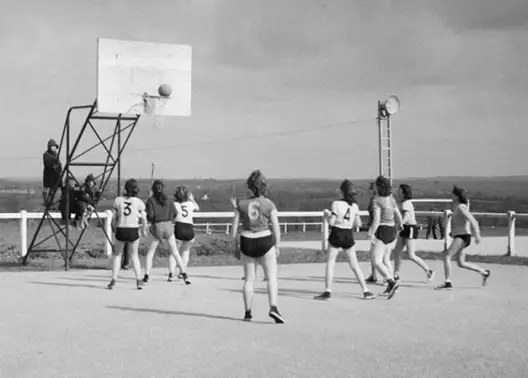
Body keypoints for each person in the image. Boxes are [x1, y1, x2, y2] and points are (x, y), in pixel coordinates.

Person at [230, 170, 284, 323]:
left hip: (247, 239)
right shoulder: (269, 204)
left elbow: (234, 229)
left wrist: (235, 246)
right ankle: (273, 307)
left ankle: (247, 312)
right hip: (264, 239)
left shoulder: (241, 204)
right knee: (271, 278)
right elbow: (276, 227)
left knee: (249, 279)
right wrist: (277, 245)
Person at [314, 180, 376, 300]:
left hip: (337, 233)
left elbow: (331, 222)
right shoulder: (354, 206)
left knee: (331, 263)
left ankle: (327, 291)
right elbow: (358, 223)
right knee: (354, 264)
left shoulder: (336, 204)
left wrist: (326, 216)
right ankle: (365, 290)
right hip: (348, 234)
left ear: (342, 192)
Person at [435, 186, 491, 290]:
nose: (451, 196)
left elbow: (473, 220)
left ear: (456, 196)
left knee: (447, 255)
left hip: (463, 236)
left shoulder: (461, 207)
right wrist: (453, 232)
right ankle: (484, 272)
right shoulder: (458, 207)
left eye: (452, 194)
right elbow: (461, 222)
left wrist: (477, 235)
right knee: (461, 263)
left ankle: (448, 282)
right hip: (461, 235)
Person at [143, 180, 190, 285]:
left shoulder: (151, 200)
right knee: (175, 253)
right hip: (169, 226)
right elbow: (175, 213)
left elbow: (150, 216)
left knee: (150, 253)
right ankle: (185, 275)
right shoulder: (169, 200)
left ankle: (146, 276)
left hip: (157, 226)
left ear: (153, 189)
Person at [107, 179, 148, 290]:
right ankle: (139, 280)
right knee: (134, 255)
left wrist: (113, 227)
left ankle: (113, 281)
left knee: (118, 255)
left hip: (121, 228)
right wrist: (144, 229)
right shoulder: (139, 201)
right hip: (133, 229)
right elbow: (144, 218)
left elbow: (114, 217)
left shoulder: (118, 200)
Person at [367, 176, 402, 299]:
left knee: (376, 261)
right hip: (392, 230)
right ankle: (390, 286)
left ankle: (391, 282)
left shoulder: (377, 200)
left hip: (382, 230)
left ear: (378, 186)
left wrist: (371, 232)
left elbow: (376, 220)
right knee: (386, 259)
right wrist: (401, 224)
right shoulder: (391, 198)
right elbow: (397, 212)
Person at [392, 184, 435, 282]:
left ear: (404, 193)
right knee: (397, 251)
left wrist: (400, 224)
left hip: (410, 228)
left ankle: (429, 271)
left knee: (410, 255)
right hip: (405, 228)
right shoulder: (401, 202)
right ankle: (396, 274)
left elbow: (406, 216)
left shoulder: (406, 203)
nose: (397, 192)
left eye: (399, 190)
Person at [169, 186, 200, 282]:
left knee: (174, 252)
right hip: (189, 228)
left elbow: (172, 217)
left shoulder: (174, 204)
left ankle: (171, 274)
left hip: (179, 228)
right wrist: (192, 199)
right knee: (185, 252)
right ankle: (182, 273)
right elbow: (197, 208)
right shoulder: (190, 204)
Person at [42, 138, 62, 208]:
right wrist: (54, 165)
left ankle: (51, 202)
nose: (54, 148)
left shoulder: (56, 155)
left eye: (55, 147)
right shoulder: (46, 154)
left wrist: (58, 167)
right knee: (46, 188)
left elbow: (59, 164)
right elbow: (47, 163)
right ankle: (46, 202)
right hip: (49, 175)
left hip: (55, 175)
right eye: (52, 146)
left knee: (53, 189)